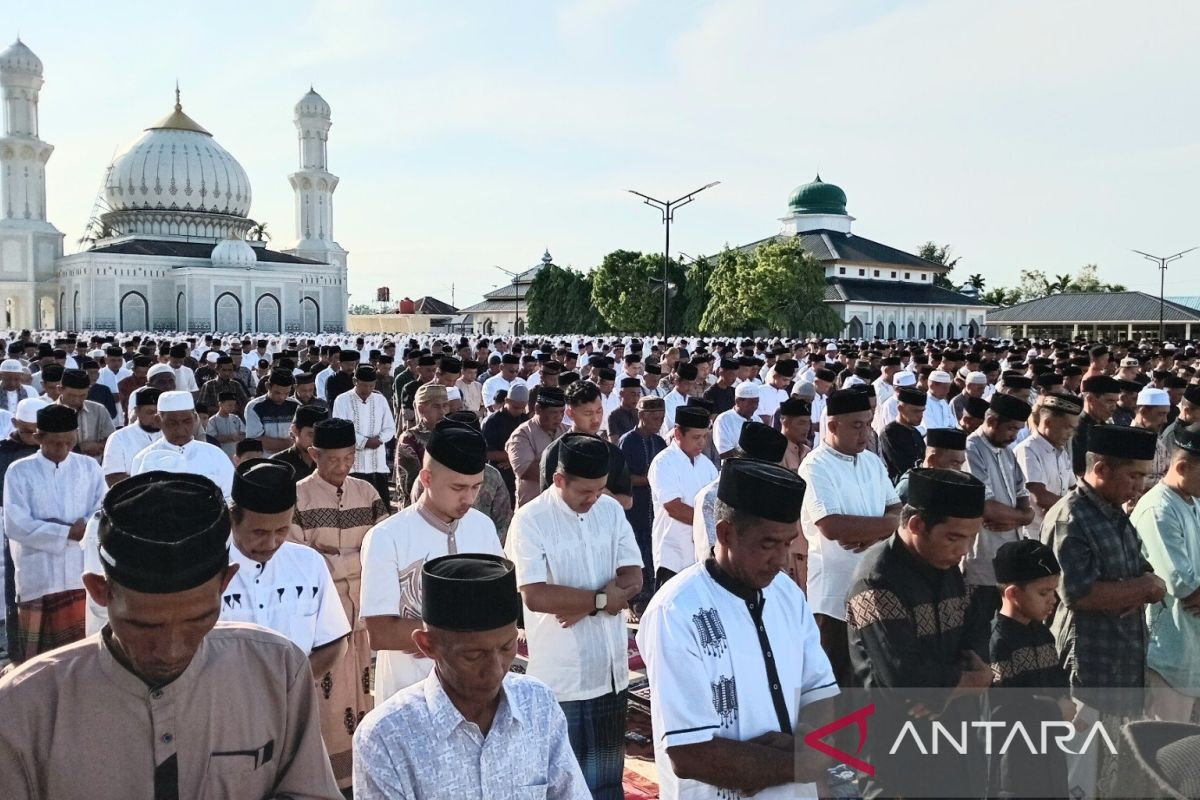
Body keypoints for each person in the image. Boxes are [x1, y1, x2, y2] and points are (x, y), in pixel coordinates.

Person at [0, 471, 342, 799]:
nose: (170, 650)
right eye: (144, 626)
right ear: (100, 591)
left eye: (197, 620)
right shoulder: (24, 708)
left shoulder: (277, 671)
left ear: (225, 583)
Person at [638, 459, 839, 800]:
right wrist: (803, 762)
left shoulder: (787, 594)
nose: (781, 559)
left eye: (788, 543)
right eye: (768, 544)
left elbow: (819, 691)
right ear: (726, 533)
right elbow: (689, 753)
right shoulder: (676, 611)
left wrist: (804, 746)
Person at [352, 553, 589, 799]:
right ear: (428, 645)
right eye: (474, 655)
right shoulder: (386, 736)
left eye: (507, 647)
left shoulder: (537, 704)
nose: (497, 670)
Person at [506, 434, 644, 799]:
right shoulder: (530, 520)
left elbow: (634, 576)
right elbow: (534, 596)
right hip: (561, 677)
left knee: (606, 782)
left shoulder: (610, 510)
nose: (593, 499)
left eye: (600, 489)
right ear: (559, 480)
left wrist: (582, 604)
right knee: (563, 783)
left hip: (610, 670)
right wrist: (599, 600)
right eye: (585, 491)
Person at [845, 468, 993, 798]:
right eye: (955, 537)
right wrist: (970, 682)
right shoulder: (876, 581)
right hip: (895, 754)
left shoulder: (948, 568)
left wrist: (947, 690)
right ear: (916, 526)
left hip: (955, 744)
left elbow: (976, 634)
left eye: (971, 538)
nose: (964, 550)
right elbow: (904, 678)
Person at [1043, 424, 1166, 797]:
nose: (1140, 486)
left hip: (1122, 665)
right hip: (1089, 669)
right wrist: (1142, 589)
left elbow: (1147, 574)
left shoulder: (1113, 512)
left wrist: (1143, 588)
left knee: (1111, 774)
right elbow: (1076, 594)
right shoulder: (1072, 517)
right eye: (1134, 475)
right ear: (1101, 470)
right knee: (1079, 774)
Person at [360, 421, 505, 702]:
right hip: (409, 698)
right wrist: (465, 636)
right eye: (458, 487)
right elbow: (380, 632)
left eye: (475, 487)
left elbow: (497, 605)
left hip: (477, 696)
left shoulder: (482, 526)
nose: (469, 498)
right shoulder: (387, 537)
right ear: (426, 479)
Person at [799, 388, 901, 686]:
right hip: (834, 598)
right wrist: (886, 527)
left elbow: (898, 509)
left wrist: (874, 534)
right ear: (833, 426)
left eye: (868, 424)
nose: (865, 433)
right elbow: (832, 525)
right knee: (835, 685)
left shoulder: (871, 461)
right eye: (857, 425)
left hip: (875, 589)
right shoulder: (816, 466)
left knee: (869, 684)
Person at [218, 459, 351, 680]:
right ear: (233, 520)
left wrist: (292, 688)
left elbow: (335, 643)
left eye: (281, 530)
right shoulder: (207, 572)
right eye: (259, 532)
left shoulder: (309, 564)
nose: (271, 543)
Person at [3, 404, 105, 664]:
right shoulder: (19, 471)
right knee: (40, 661)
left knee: (80, 656)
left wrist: (77, 527)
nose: (63, 449)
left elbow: (102, 510)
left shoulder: (89, 467)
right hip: (38, 576)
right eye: (55, 443)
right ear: (39, 438)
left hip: (78, 572)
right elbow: (16, 524)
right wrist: (67, 531)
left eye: (69, 442)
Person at [989, 539, 1073, 800]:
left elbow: (1058, 681)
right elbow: (1003, 712)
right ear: (1013, 593)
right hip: (1014, 771)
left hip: (1050, 758)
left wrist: (1063, 702)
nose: (1054, 600)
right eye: (1044, 593)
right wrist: (1054, 710)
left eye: (1054, 591)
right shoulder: (997, 643)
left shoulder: (1042, 633)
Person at [1132, 425, 1200, 723]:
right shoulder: (1159, 510)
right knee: (1163, 751)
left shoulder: (1193, 501)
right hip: (1168, 654)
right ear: (1183, 467)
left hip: (1192, 652)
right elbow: (1184, 585)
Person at [963, 392, 1035, 614]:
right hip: (982, 561)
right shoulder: (970, 449)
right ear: (992, 421)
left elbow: (1023, 493)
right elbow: (987, 508)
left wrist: (1021, 517)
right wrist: (1023, 517)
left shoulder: (1007, 452)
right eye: (1011, 428)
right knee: (978, 633)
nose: (1014, 436)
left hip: (1009, 557)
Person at [649, 406, 718, 588]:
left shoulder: (707, 465)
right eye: (696, 437)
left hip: (702, 557)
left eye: (705, 436)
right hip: (673, 555)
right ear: (678, 433)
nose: (702, 443)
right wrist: (710, 523)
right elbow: (674, 508)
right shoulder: (663, 462)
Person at [539, 380, 633, 510]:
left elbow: (627, 502)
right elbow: (548, 503)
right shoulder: (554, 453)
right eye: (588, 413)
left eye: (599, 411)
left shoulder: (612, 452)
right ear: (570, 413)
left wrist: (601, 493)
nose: (596, 419)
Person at [130, 390, 236, 499]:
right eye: (172, 423)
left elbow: (231, 499)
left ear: (195, 419)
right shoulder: (143, 459)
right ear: (158, 421)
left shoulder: (215, 455)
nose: (180, 429)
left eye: (186, 421)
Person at [0, 398, 45, 653]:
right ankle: (16, 646)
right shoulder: (4, 452)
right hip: (14, 530)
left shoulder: (51, 450)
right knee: (15, 587)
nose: (34, 437)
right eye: (28, 430)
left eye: (39, 431)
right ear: (15, 424)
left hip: (54, 533)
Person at [1014, 392, 1081, 536]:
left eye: (1073, 428)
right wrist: (1080, 507)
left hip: (1057, 531)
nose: (1071, 434)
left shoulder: (1061, 451)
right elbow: (1040, 496)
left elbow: (1073, 487)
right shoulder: (1028, 450)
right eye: (1067, 427)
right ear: (1048, 422)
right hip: (1034, 536)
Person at [333, 363, 396, 507]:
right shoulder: (342, 400)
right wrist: (364, 442)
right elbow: (340, 430)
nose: (367, 390)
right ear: (355, 382)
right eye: (364, 385)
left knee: (381, 508)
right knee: (356, 508)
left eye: (371, 386)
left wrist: (379, 439)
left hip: (378, 465)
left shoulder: (380, 400)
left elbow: (389, 428)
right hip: (353, 467)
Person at [506, 385, 568, 507]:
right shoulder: (522, 435)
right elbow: (527, 471)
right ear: (538, 409)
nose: (559, 417)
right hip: (533, 509)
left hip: (563, 507)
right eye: (554, 413)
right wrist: (572, 470)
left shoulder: (568, 431)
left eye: (562, 412)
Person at [395, 382, 447, 506]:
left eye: (445, 406)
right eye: (436, 406)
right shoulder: (409, 438)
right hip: (417, 507)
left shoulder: (450, 434)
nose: (442, 411)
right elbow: (411, 484)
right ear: (421, 409)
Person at [100, 386, 163, 487]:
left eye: (160, 413)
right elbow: (113, 477)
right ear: (137, 411)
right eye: (150, 412)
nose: (156, 417)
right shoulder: (119, 438)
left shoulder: (172, 436)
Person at [482, 382, 529, 499]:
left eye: (522, 408)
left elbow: (530, 447)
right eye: (516, 407)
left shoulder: (524, 419)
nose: (519, 411)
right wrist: (513, 458)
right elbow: (486, 453)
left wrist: (514, 460)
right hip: (499, 476)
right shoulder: (492, 422)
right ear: (507, 400)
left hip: (519, 474)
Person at [58, 367, 114, 460]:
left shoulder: (98, 410)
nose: (77, 400)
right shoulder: (49, 413)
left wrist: (100, 446)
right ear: (60, 389)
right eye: (71, 395)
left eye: (82, 395)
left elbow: (112, 439)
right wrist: (79, 448)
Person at [244, 369, 301, 457]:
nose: (282, 397)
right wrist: (291, 444)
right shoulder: (254, 407)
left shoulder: (296, 405)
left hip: (293, 460)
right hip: (266, 460)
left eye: (286, 393)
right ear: (268, 386)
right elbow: (255, 441)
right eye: (277, 393)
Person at [1073, 375, 1120, 476]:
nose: (1114, 407)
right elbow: (1079, 470)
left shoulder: (1105, 426)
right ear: (1090, 399)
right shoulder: (1076, 428)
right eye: (1110, 401)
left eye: (1116, 402)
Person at [880, 386, 927, 482]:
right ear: (900, 408)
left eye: (922, 411)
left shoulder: (916, 433)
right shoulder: (889, 433)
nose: (920, 416)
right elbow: (903, 468)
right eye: (915, 411)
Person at [272, 404, 327, 486]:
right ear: (295, 431)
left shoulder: (329, 462)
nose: (317, 441)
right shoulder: (278, 464)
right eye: (311, 435)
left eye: (322, 436)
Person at [712, 381, 760, 463]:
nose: (755, 406)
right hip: (734, 469)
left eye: (757, 402)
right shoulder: (724, 420)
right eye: (751, 403)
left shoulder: (758, 420)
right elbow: (724, 453)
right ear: (738, 401)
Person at [206, 391, 246, 460]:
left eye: (234, 405)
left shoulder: (236, 418)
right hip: (220, 456)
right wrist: (231, 437)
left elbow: (244, 434)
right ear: (220, 404)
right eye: (230, 405)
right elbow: (212, 439)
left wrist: (238, 437)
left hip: (236, 456)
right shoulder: (213, 421)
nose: (232, 407)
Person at [778, 397, 812, 471]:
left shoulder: (808, 452)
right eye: (801, 423)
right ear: (786, 423)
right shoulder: (776, 452)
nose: (806, 428)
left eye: (808, 423)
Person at [606, 377, 641, 443]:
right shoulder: (614, 416)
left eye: (638, 394)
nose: (636, 398)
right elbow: (614, 443)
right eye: (632, 394)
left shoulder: (640, 414)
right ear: (621, 394)